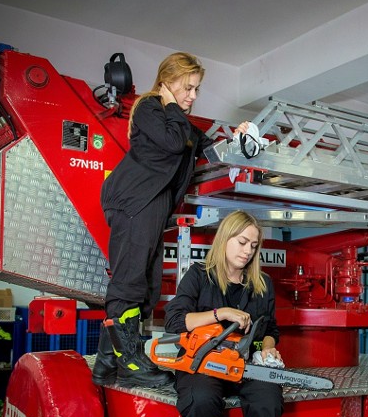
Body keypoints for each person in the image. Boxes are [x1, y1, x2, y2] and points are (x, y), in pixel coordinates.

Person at [91, 52, 250, 387]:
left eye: (196, 90)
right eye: (188, 88)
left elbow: (208, 148)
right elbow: (174, 142)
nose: (192, 96)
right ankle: (130, 365)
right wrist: (172, 105)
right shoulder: (150, 108)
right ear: (167, 82)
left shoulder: (181, 123)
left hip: (152, 206)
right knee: (130, 281)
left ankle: (107, 364)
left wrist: (239, 136)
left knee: (146, 286)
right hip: (135, 200)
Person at [163, 210, 284, 417]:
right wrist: (220, 314)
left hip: (246, 366)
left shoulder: (262, 285)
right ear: (225, 239)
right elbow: (175, 322)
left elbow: (270, 330)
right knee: (199, 401)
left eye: (253, 245)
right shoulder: (198, 277)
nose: (247, 250)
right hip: (204, 367)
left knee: (268, 400)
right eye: (242, 241)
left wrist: (269, 349)